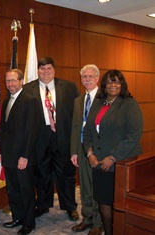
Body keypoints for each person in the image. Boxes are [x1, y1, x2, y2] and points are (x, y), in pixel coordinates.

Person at [83, 70, 143, 235]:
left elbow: (134, 136)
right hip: (99, 163)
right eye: (109, 82)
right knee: (103, 201)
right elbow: (87, 131)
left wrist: (112, 157)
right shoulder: (98, 103)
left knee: (119, 204)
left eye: (117, 81)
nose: (113, 85)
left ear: (122, 84)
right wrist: (90, 154)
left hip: (121, 163)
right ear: (104, 85)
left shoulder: (129, 104)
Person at [23, 56, 80, 220]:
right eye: (42, 69)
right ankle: (43, 204)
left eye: (49, 68)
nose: (45, 72)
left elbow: (76, 114)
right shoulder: (28, 89)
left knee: (66, 174)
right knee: (41, 174)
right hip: (39, 138)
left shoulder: (68, 87)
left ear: (54, 70)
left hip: (62, 137)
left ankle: (70, 206)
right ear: (38, 71)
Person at [0, 69, 42, 235]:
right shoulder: (6, 100)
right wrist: (1, 150)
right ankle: (18, 217)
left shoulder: (30, 101)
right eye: (7, 81)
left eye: (13, 80)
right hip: (8, 155)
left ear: (21, 81)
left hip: (23, 156)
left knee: (26, 189)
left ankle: (29, 223)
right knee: (13, 188)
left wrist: (25, 156)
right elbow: (3, 128)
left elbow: (32, 131)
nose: (10, 84)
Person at [70, 64, 103, 235]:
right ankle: (87, 218)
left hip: (97, 152)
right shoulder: (78, 100)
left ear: (97, 78)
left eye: (91, 76)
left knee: (97, 187)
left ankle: (99, 222)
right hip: (82, 150)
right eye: (84, 77)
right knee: (84, 187)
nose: (87, 80)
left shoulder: (104, 98)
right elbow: (76, 127)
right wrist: (74, 151)